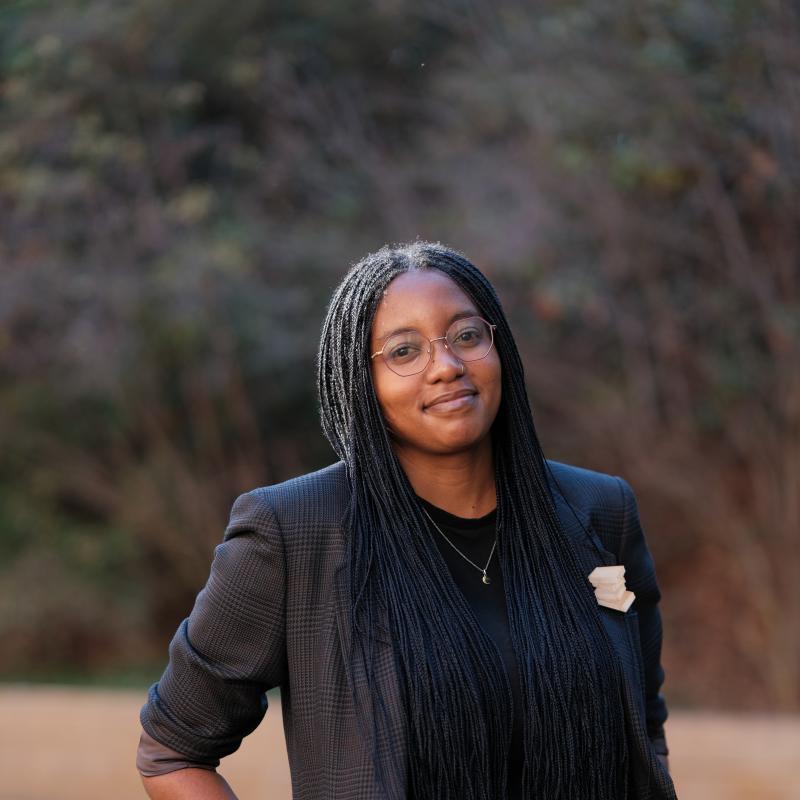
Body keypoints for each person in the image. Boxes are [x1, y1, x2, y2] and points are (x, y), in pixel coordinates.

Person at [137, 242, 677, 800]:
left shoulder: (599, 511)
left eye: (467, 336)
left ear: (500, 350)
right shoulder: (294, 531)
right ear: (359, 381)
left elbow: (643, 724)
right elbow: (173, 753)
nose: (446, 366)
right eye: (403, 351)